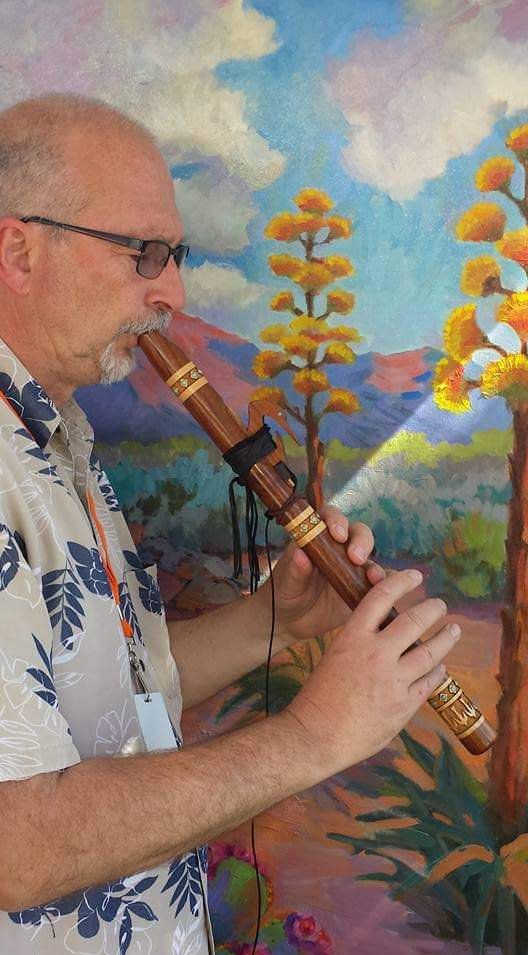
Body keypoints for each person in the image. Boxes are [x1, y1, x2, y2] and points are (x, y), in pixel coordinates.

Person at [0, 93, 459, 955]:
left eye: (175, 255)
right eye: (143, 253)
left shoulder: (57, 433)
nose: (172, 291)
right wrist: (313, 736)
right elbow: (15, 845)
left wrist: (273, 620)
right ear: (19, 251)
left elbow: (116, 686)